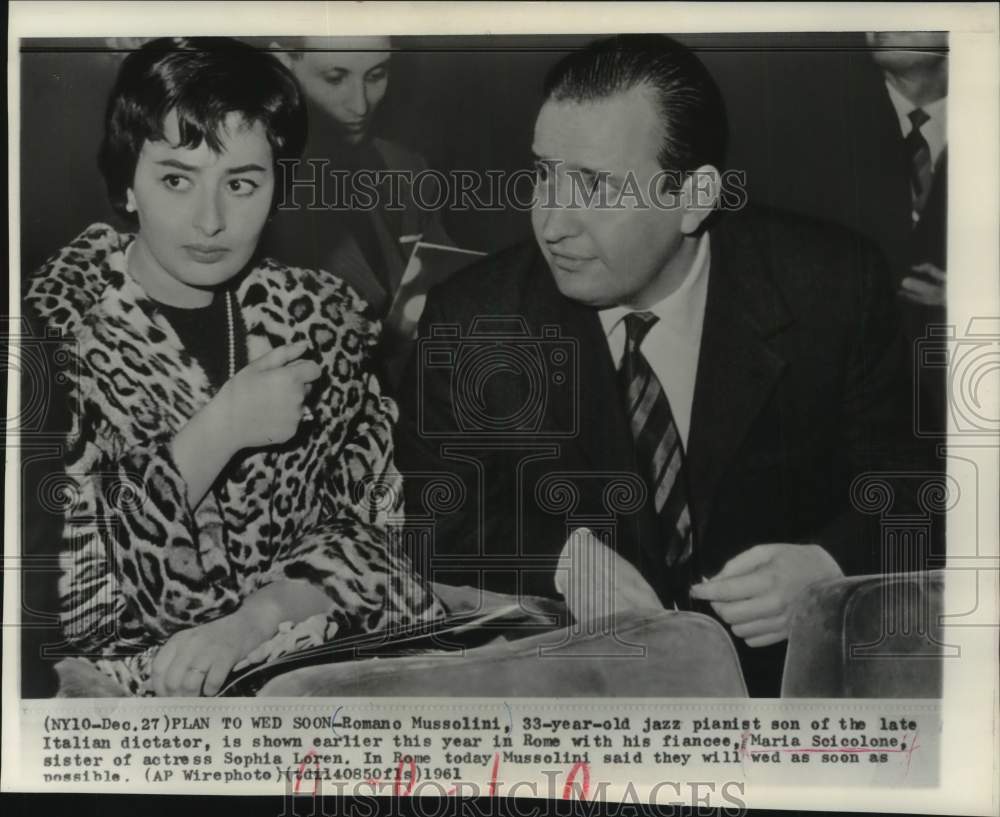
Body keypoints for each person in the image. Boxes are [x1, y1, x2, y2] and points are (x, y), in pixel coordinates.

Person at [395, 34, 920, 696]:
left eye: (594, 185)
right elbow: (434, 511)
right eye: (543, 174)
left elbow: (912, 482)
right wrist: (559, 557)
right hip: (586, 694)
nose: (552, 222)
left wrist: (831, 565)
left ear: (695, 197)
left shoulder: (834, 287)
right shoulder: (475, 318)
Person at [24, 37, 444, 697]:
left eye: (242, 183)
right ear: (126, 185)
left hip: (302, 668)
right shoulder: (48, 338)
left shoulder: (323, 325)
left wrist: (255, 619)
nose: (212, 219)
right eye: (175, 179)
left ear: (277, 189)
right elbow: (64, 601)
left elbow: (386, 541)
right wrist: (221, 429)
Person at [264, 36, 454, 322]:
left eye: (376, 76)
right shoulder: (257, 185)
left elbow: (450, 289)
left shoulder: (408, 168)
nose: (361, 105)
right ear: (283, 63)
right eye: (335, 78)